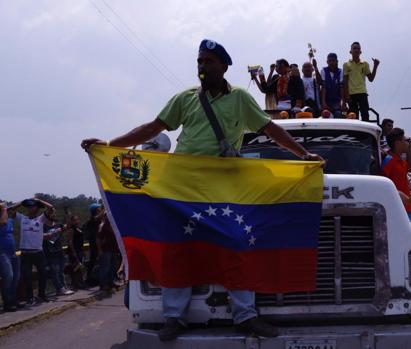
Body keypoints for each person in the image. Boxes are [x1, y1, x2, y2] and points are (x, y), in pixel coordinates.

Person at [81, 38, 324, 341]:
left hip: (225, 185)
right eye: (200, 62)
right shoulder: (184, 99)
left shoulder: (240, 100)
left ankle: (245, 316)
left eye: (209, 62)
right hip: (183, 186)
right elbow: (152, 128)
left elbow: (270, 130)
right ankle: (174, 317)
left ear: (224, 66)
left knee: (237, 243)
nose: (203, 67)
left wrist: (303, 155)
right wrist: (110, 145)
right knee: (178, 248)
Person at [8, 198, 54, 305]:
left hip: (38, 252)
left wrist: (38, 199)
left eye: (32, 206)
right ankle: (30, 298)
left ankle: (42, 295)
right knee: (27, 276)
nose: (30, 208)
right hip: (25, 253)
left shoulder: (40, 219)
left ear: (37, 208)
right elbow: (11, 210)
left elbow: (50, 208)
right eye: (28, 207)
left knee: (42, 274)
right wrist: (22, 202)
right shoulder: (22, 218)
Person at [381, 128, 411, 221]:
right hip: (396, 209)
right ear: (397, 143)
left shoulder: (403, 163)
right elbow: (382, 185)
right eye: (404, 140)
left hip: (407, 209)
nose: (407, 143)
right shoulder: (388, 161)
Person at [343, 41, 379, 122]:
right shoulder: (346, 64)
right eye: (354, 48)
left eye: (358, 48)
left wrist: (375, 66)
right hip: (351, 94)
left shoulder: (365, 64)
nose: (356, 50)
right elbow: (345, 81)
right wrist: (346, 95)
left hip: (362, 93)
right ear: (350, 51)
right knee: (353, 115)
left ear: (360, 51)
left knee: (365, 114)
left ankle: (364, 132)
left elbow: (371, 79)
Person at [43, 213, 74, 297]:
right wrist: (54, 232)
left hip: (59, 250)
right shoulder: (43, 226)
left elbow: (67, 226)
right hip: (50, 252)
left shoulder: (58, 224)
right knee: (55, 272)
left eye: (54, 213)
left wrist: (67, 217)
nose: (54, 215)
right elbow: (42, 237)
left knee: (61, 271)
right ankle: (59, 289)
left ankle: (63, 287)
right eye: (52, 214)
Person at [0, 202, 20, 311]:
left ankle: (13, 300)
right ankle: (7, 303)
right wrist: (4, 208)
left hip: (13, 252)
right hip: (2, 253)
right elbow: (2, 222)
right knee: (9, 276)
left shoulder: (10, 220)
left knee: (15, 278)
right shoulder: (2, 220)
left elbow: (14, 208)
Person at [83, 203, 105, 286]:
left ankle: (97, 278)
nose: (100, 210)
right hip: (94, 243)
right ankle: (88, 279)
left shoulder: (97, 219)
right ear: (95, 210)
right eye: (98, 209)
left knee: (97, 261)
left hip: (98, 242)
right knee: (93, 261)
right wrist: (105, 207)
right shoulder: (92, 219)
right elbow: (99, 216)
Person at [97, 214, 119, 293]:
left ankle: (111, 283)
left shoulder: (113, 224)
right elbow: (98, 239)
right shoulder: (103, 225)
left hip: (113, 249)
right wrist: (100, 250)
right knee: (105, 268)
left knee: (112, 267)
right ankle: (103, 285)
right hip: (106, 249)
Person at [320, 53, 345, 118]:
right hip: (326, 101)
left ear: (337, 61)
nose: (331, 62)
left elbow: (341, 87)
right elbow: (323, 87)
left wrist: (343, 102)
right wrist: (323, 102)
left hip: (336, 101)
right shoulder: (323, 70)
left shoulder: (340, 71)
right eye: (330, 61)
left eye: (333, 60)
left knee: (339, 114)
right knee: (325, 115)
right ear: (327, 62)